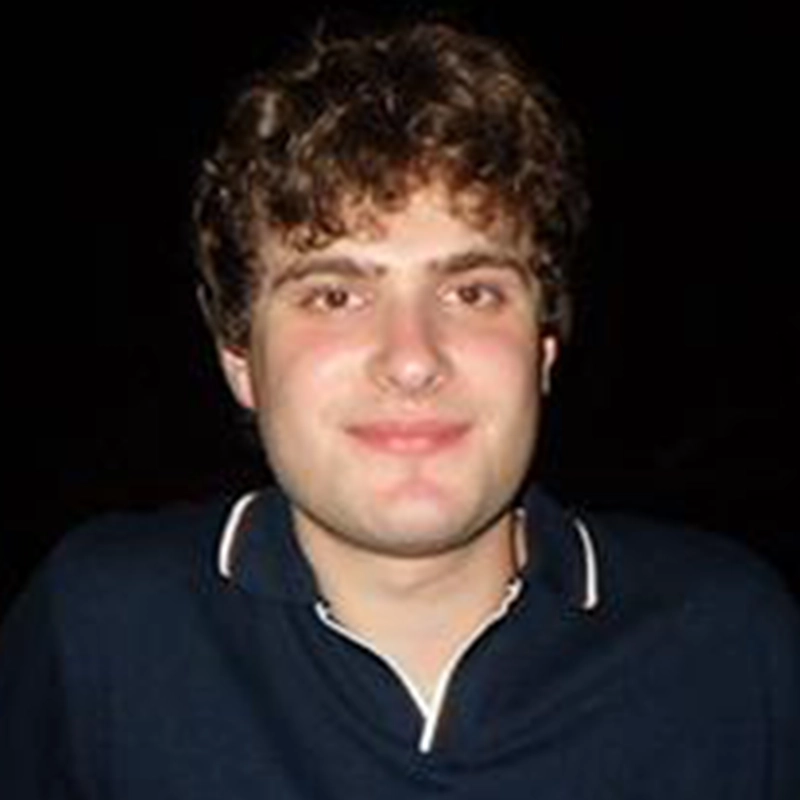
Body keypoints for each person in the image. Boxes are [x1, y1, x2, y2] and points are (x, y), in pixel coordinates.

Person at [1, 21, 797, 799]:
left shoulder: (728, 642)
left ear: (542, 350)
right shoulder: (100, 632)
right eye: (336, 294)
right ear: (240, 362)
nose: (413, 357)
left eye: (472, 292)